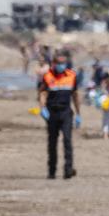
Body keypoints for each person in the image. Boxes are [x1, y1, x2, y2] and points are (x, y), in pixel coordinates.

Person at [38, 50, 80, 180]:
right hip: (52, 113)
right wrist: (42, 107)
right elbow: (42, 93)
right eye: (59, 63)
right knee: (52, 142)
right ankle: (52, 171)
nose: (61, 65)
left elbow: (75, 95)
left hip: (66, 112)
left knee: (67, 140)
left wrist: (78, 113)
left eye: (63, 63)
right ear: (54, 63)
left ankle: (68, 170)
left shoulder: (71, 76)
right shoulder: (47, 76)